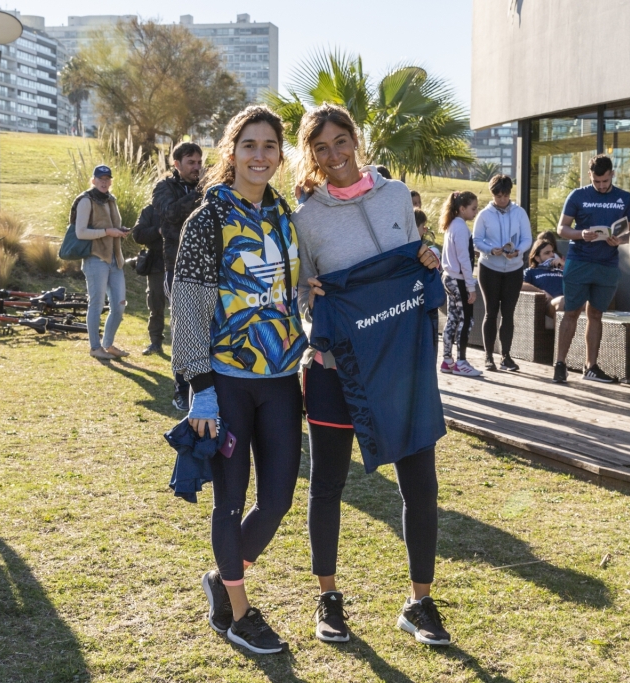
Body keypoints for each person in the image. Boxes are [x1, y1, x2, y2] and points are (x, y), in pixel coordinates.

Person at [292, 103, 449, 648]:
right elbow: (300, 291)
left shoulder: (394, 195)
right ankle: (328, 598)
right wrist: (305, 296)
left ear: (356, 141)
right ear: (310, 154)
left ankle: (420, 603)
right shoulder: (304, 217)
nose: (333, 155)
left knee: (420, 487)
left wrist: (429, 259)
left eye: (341, 142)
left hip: (401, 367)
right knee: (328, 485)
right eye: (321, 147)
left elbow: (417, 256)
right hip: (339, 368)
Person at [171, 106, 308, 655]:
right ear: (232, 152)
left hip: (281, 378)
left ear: (280, 154)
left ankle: (222, 578)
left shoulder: (284, 216)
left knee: (276, 500)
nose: (259, 155)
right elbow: (188, 311)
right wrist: (199, 389)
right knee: (230, 500)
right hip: (225, 381)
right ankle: (238, 610)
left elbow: (291, 286)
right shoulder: (206, 220)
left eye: (269, 146)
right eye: (249, 145)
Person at [552, 155, 630, 384]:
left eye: (605, 181)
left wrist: (620, 240)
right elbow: (562, 228)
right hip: (579, 261)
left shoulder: (624, 198)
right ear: (590, 176)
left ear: (612, 175)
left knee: (596, 314)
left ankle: (591, 367)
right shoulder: (578, 195)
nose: (601, 185)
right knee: (571, 311)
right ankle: (560, 364)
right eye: (597, 181)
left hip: (607, 264)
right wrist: (581, 234)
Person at [155, 141, 203, 408]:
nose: (197, 167)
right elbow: (170, 213)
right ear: (177, 164)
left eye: (199, 162)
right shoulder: (164, 188)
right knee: (183, 329)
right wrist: (199, 192)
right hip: (177, 267)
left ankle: (205, 385)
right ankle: (181, 388)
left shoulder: (208, 186)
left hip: (207, 266)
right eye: (191, 163)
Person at [472, 174, 532, 372]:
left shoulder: (519, 213)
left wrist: (518, 251)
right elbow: (476, 240)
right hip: (490, 268)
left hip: (513, 268)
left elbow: (526, 238)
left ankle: (506, 356)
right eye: (498, 196)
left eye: (505, 196)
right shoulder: (484, 215)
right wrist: (491, 249)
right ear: (493, 194)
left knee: (508, 313)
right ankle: (489, 356)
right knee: (491, 312)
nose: (502, 200)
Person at [73, 164, 129, 360]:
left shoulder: (111, 199)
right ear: (93, 181)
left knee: (119, 305)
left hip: (115, 259)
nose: (104, 182)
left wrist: (120, 230)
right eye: (100, 179)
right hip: (95, 259)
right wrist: (107, 232)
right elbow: (80, 232)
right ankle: (95, 347)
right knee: (96, 304)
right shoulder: (85, 201)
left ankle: (108, 344)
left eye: (107, 179)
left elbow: (113, 225)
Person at [440, 191, 481, 377]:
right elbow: (464, 259)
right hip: (459, 279)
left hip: (448, 276)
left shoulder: (451, 225)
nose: (475, 212)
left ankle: (447, 360)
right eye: (473, 209)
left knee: (453, 318)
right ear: (462, 208)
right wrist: (471, 287)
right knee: (466, 319)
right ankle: (461, 361)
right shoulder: (461, 227)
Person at [130, 203, 166, 355]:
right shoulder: (150, 209)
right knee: (156, 304)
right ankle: (155, 342)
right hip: (157, 262)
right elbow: (138, 234)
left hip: (183, 262)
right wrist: (158, 231)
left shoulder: (183, 205)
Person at [522, 237, 565, 322]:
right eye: (547, 253)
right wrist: (541, 292)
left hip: (568, 300)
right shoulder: (531, 271)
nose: (552, 255)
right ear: (537, 258)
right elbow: (519, 285)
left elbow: (580, 278)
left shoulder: (560, 271)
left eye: (552, 252)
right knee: (563, 302)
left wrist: (564, 264)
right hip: (548, 304)